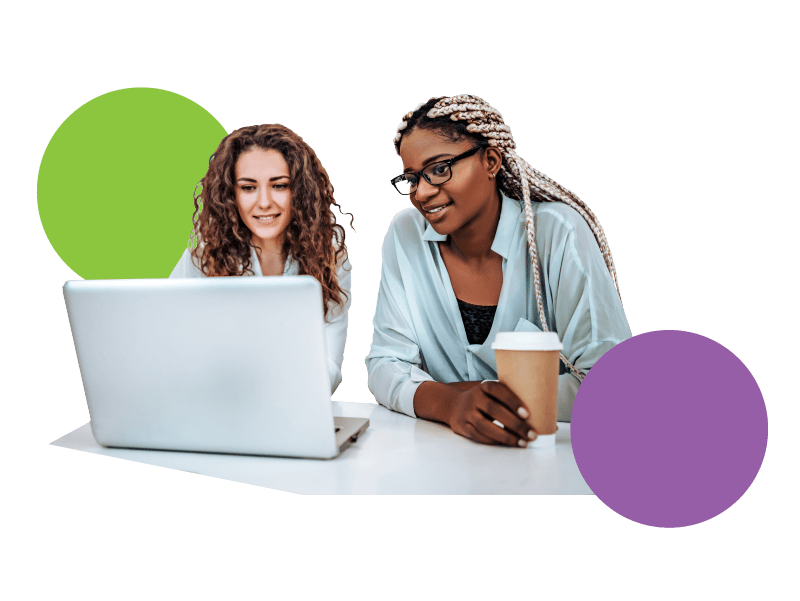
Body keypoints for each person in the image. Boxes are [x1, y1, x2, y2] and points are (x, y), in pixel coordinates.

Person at [366, 95, 631, 447]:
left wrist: (472, 394)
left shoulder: (558, 233)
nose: (423, 192)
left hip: (553, 460)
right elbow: (385, 363)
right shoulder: (406, 234)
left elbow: (615, 388)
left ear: (490, 160)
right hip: (441, 460)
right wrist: (450, 404)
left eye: (440, 169)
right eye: (412, 178)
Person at [170, 123, 353, 394]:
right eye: (248, 188)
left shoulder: (330, 255)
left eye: (279, 185)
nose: (264, 202)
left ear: (299, 192)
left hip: (296, 407)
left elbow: (328, 370)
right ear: (231, 195)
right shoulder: (202, 261)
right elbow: (168, 352)